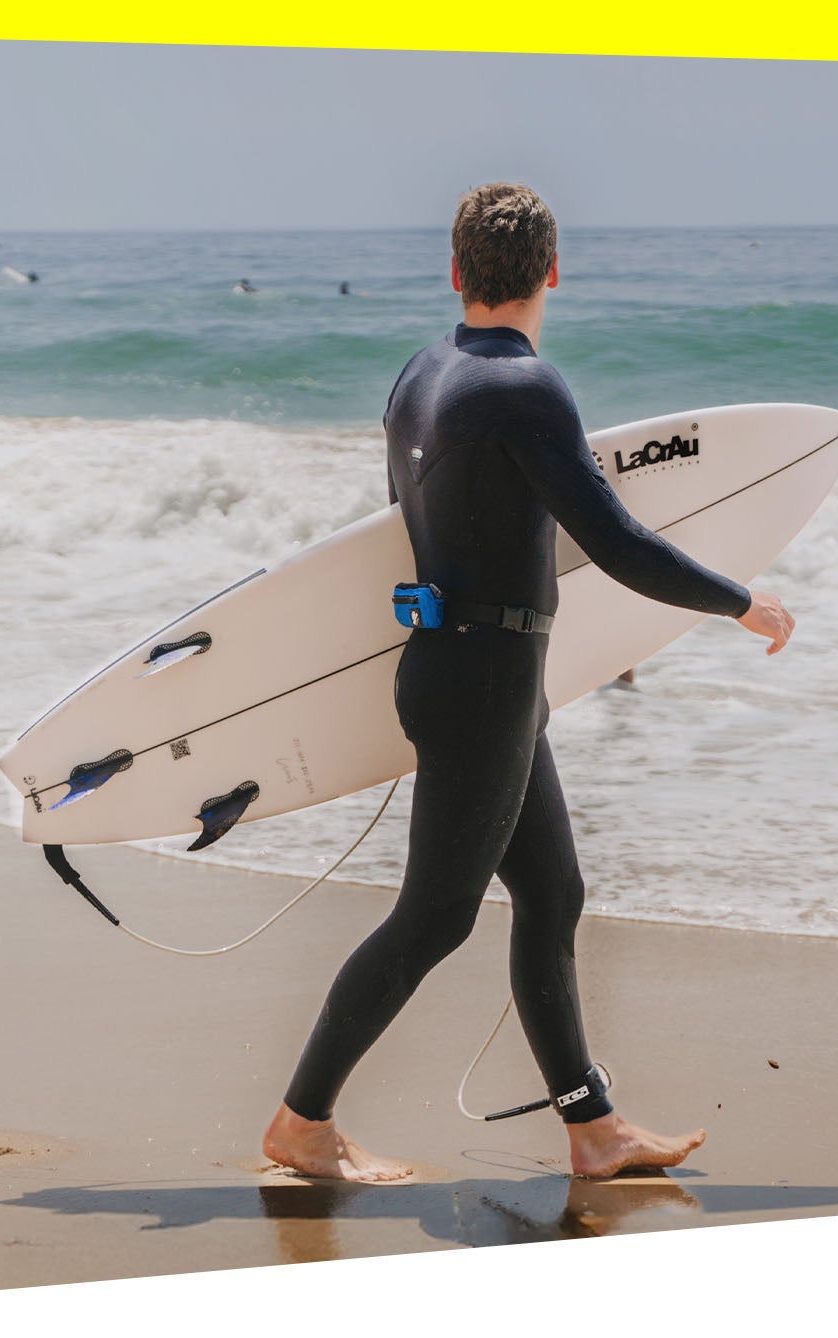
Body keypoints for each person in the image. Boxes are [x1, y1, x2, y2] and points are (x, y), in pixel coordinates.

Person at [263, 182, 797, 1184]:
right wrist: (738, 601)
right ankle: (302, 1119)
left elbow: (409, 521)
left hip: (458, 668)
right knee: (435, 916)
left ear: (455, 271)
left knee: (551, 894)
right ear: (552, 270)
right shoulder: (526, 387)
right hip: (485, 683)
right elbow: (614, 542)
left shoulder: (419, 376)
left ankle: (595, 1131)